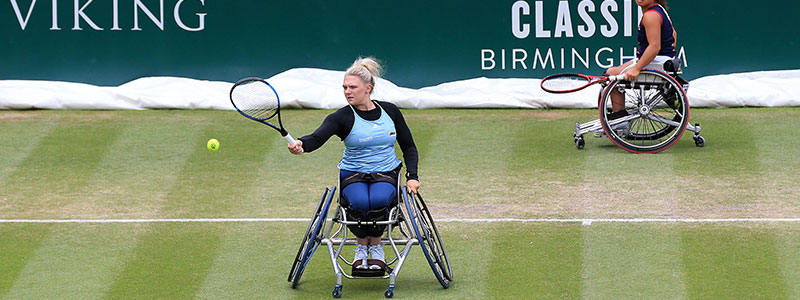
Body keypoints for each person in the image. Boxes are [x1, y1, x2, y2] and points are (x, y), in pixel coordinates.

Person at [287, 57, 420, 270]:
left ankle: (375, 248)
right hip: (353, 174)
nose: (347, 91)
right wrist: (302, 144)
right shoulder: (341, 117)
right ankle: (361, 248)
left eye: (352, 87)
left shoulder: (391, 112)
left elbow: (409, 147)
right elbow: (317, 137)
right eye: (345, 87)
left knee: (377, 201)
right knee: (359, 204)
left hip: (386, 173)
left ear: (368, 88)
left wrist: (412, 176)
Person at [605, 0, 677, 129]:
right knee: (613, 70)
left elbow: (654, 47)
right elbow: (673, 35)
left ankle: (619, 119)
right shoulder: (659, 9)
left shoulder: (651, 15)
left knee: (610, 75)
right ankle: (619, 116)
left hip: (657, 63)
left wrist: (637, 69)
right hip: (663, 61)